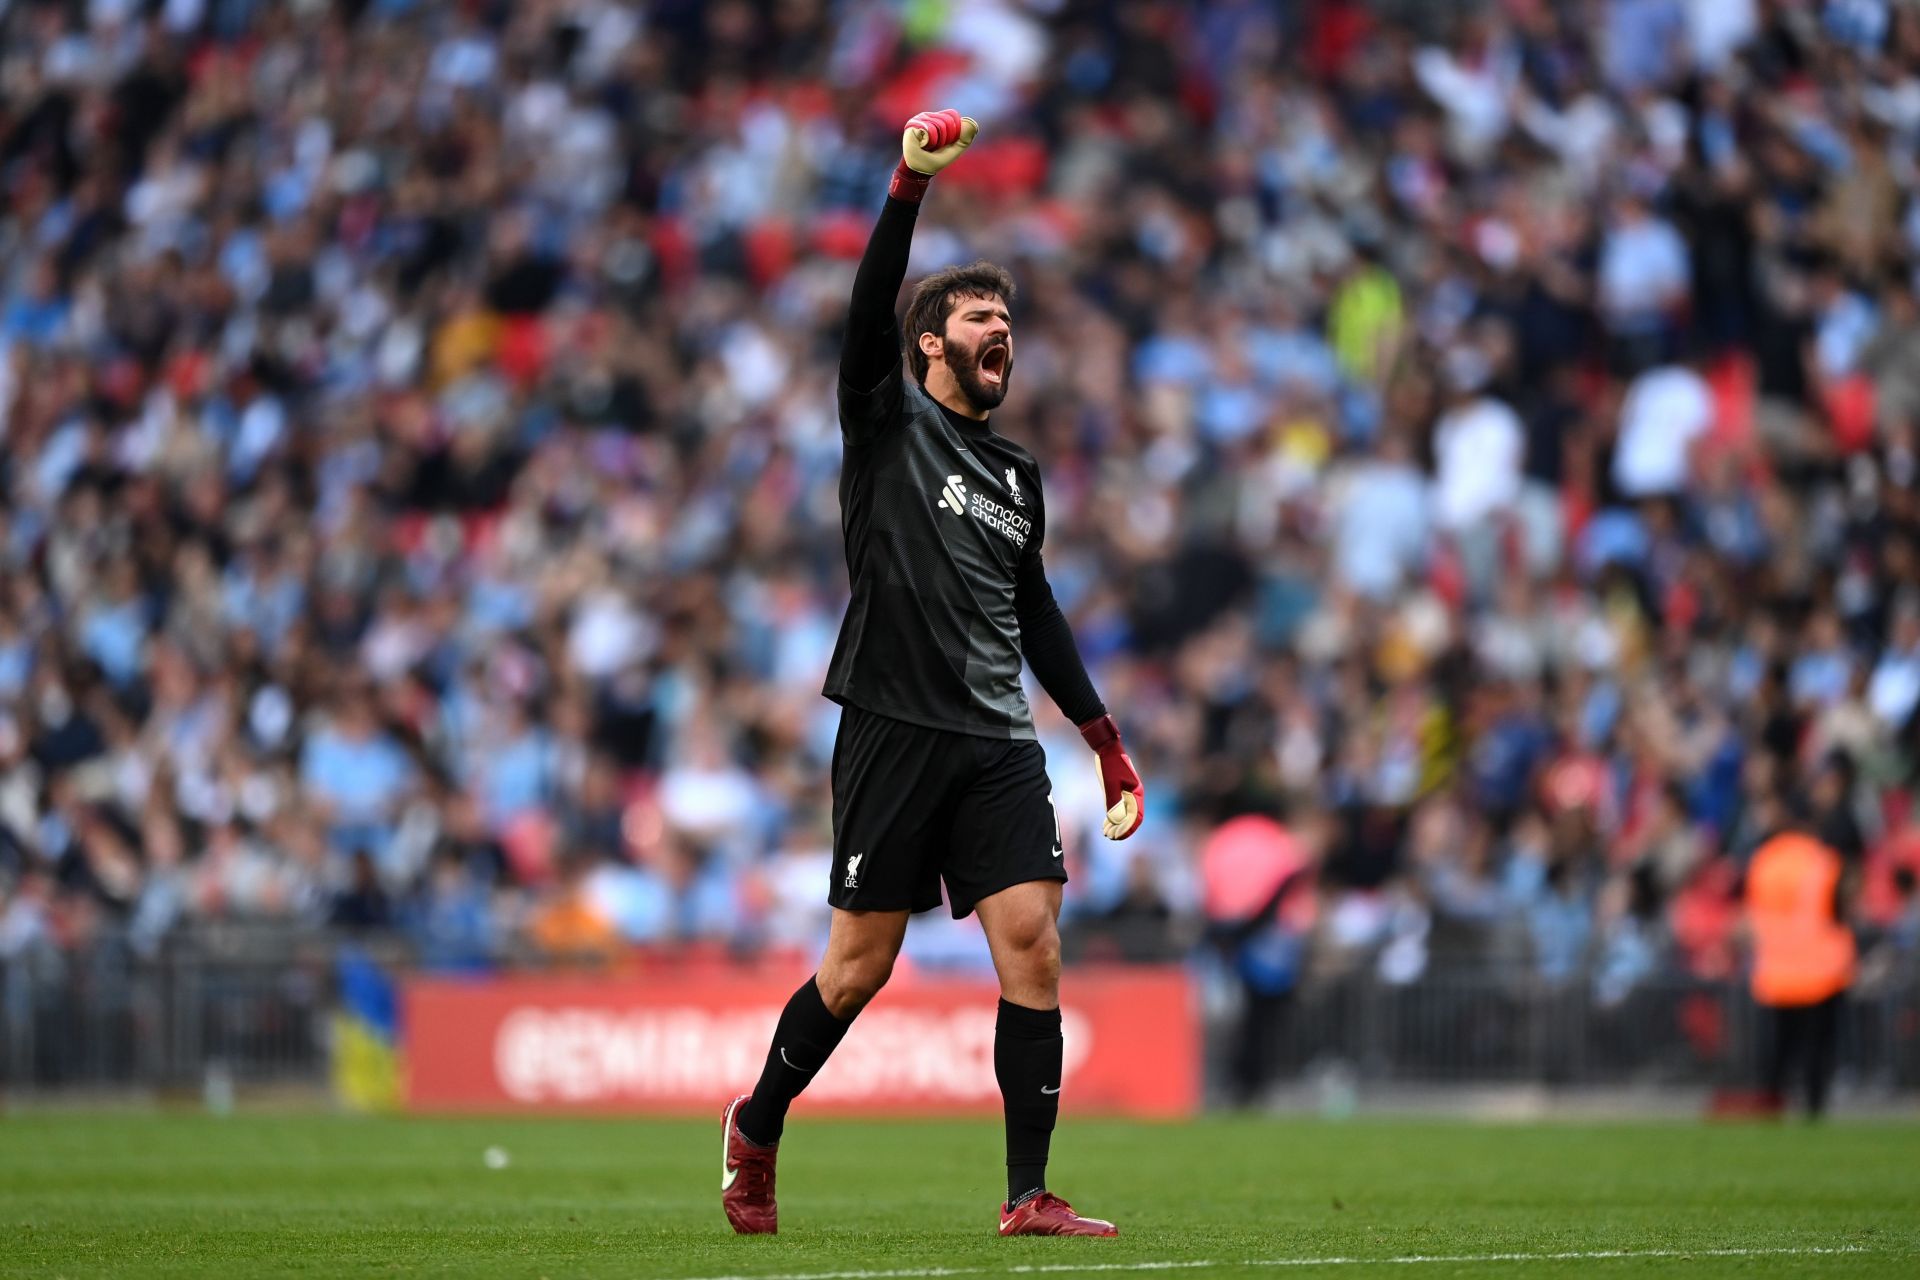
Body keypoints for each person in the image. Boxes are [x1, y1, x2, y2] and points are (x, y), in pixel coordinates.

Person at [719, 109, 1145, 1239]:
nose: (1000, 327)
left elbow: (1035, 607)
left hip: (998, 738)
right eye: (977, 315)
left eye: (1007, 316)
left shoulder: (1016, 475)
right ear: (929, 344)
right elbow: (864, 317)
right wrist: (907, 186)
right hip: (893, 724)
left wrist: (1102, 736)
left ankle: (1028, 1192)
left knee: (1034, 943)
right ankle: (757, 1123)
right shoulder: (886, 421)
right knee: (858, 967)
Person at [1744, 799, 1857, 1117]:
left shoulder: (1763, 862)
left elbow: (1755, 914)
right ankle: (1813, 1106)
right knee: (1817, 1049)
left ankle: (1771, 1104)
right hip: (1822, 970)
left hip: (1777, 971)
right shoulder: (1824, 861)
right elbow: (1839, 910)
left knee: (1779, 1048)